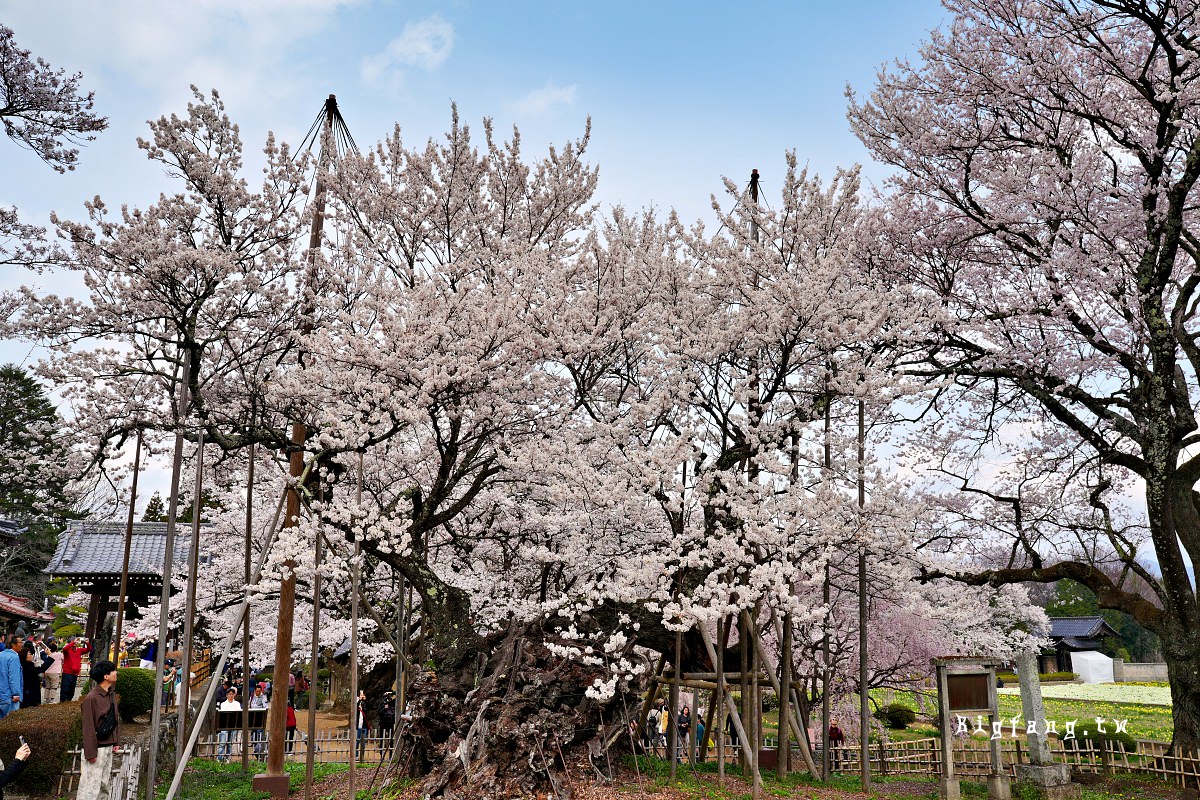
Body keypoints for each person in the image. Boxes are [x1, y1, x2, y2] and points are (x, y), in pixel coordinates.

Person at [79, 660, 119, 800]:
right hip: (97, 748)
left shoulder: (110, 693)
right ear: (106, 676)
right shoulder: (91, 698)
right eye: (113, 671)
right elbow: (88, 726)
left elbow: (114, 719)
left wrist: (116, 741)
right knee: (90, 786)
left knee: (104, 784)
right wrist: (90, 752)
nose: (116, 673)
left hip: (107, 745)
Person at [20, 641, 52, 707]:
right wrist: (50, 656)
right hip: (30, 693)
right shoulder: (27, 667)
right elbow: (42, 668)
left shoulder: (26, 664)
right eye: (29, 654)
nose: (32, 655)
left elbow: (28, 652)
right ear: (25, 657)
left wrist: (35, 646)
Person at [61, 637, 90, 703]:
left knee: (72, 688)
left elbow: (88, 649)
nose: (75, 643)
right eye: (73, 641)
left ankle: (69, 700)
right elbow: (64, 649)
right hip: (67, 672)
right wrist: (73, 642)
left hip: (75, 672)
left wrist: (87, 643)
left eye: (76, 641)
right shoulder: (67, 650)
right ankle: (62, 701)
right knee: (65, 688)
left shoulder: (79, 650)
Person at [216, 689, 242, 763]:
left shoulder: (237, 704)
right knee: (222, 743)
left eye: (232, 694)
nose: (231, 696)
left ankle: (228, 758)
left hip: (233, 725)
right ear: (227, 695)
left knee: (230, 743)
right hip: (225, 725)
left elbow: (238, 713)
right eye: (229, 694)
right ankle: (220, 758)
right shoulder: (223, 704)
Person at [0, 640, 21, 718]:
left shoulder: (0, 654)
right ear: (13, 645)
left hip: (1, 693)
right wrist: (16, 694)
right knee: (12, 720)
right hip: (9, 696)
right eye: (20, 642)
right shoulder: (14, 657)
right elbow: (13, 677)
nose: (22, 644)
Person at [248, 685, 269, 759]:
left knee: (259, 733)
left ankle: (259, 750)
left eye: (259, 691)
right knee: (253, 733)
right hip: (252, 717)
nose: (258, 692)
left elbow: (266, 707)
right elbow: (249, 704)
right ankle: (254, 745)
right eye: (257, 691)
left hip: (259, 717)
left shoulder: (263, 697)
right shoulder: (252, 696)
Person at [43, 639, 63, 704]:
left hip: (47, 672)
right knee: (54, 686)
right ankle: (52, 699)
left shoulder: (48, 654)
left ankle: (46, 698)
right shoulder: (59, 654)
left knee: (47, 686)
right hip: (55, 672)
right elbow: (64, 659)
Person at [354, 689, 370, 761]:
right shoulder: (357, 704)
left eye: (363, 695)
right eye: (361, 695)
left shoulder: (365, 705)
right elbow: (355, 707)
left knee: (363, 742)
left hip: (364, 726)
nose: (362, 696)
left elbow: (368, 707)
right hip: (358, 726)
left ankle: (362, 755)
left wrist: (364, 700)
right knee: (357, 741)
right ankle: (356, 755)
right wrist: (359, 700)